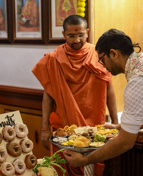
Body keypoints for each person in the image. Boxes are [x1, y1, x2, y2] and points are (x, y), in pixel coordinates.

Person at [63, 28, 143, 176]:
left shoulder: (138, 80)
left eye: (102, 59)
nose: (102, 65)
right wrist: (120, 127)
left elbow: (125, 142)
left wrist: (85, 160)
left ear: (114, 53)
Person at [32, 15, 118, 176]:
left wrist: (115, 122)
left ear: (87, 32)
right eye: (71, 36)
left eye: (80, 35)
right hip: (64, 128)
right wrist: (44, 128)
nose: (77, 39)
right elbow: (48, 96)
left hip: (95, 127)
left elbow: (109, 89)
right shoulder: (54, 59)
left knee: (92, 169)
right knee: (62, 169)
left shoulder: (99, 55)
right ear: (64, 35)